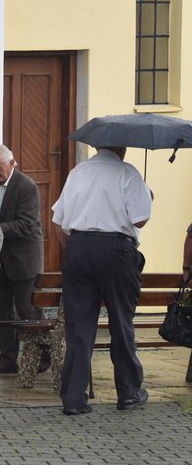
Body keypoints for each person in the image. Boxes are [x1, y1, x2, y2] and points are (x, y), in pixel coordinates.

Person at [51, 145, 152, 415]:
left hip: (78, 247)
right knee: (121, 322)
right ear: (124, 148)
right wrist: (148, 195)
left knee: (78, 328)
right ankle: (128, 393)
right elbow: (140, 219)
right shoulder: (128, 174)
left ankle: (73, 398)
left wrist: (75, 250)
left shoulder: (77, 173)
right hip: (116, 251)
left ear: (97, 146)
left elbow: (58, 222)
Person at [0, 144, 48, 375]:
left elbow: (26, 224)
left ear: (12, 163)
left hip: (24, 256)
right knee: (3, 311)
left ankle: (45, 354)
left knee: (27, 310)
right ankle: (7, 360)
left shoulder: (26, 186)